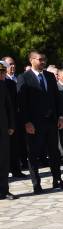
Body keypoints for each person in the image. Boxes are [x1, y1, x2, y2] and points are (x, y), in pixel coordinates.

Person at [17, 51, 63, 193]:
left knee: (54, 153)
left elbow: (56, 98)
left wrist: (60, 116)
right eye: (40, 59)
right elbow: (22, 104)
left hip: (51, 122)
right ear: (31, 60)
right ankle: (37, 184)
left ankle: (57, 180)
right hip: (34, 124)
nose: (43, 61)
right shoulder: (24, 78)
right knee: (33, 154)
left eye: (44, 59)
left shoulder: (49, 76)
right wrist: (27, 122)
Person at [0, 62, 16, 200]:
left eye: (2, 73)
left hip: (3, 128)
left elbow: (9, 107)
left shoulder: (3, 86)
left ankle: (4, 190)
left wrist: (11, 125)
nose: (2, 75)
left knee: (4, 160)